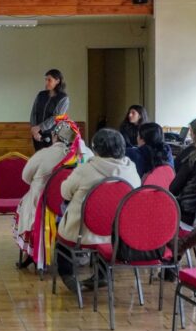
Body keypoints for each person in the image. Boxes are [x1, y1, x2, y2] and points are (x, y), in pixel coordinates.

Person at [57, 128, 140, 292]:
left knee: (61, 243)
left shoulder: (86, 169)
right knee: (107, 224)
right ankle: (102, 274)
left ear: (96, 149)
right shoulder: (131, 169)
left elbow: (64, 192)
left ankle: (68, 276)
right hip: (117, 234)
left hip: (83, 233)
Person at [14, 119, 77, 268]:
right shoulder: (75, 156)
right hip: (66, 205)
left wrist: (37, 184)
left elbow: (25, 176)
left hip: (41, 202)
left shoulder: (43, 154)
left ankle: (31, 252)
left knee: (26, 203)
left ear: (54, 136)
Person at [29, 69, 70, 151]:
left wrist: (40, 127)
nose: (46, 82)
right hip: (37, 134)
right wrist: (34, 129)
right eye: (46, 80)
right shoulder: (41, 95)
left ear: (57, 81)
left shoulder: (63, 98)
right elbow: (34, 112)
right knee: (39, 159)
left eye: (49, 80)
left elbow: (56, 117)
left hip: (52, 135)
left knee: (51, 160)